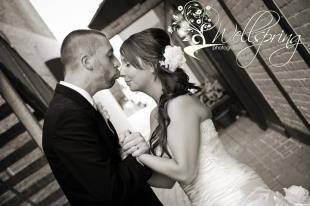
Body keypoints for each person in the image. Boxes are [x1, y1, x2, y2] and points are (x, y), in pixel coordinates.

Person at [119, 28, 310, 206]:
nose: (121, 72)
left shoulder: (180, 105)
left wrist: (142, 154)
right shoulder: (155, 116)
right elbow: (167, 180)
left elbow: (185, 172)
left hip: (234, 195)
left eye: (127, 64)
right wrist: (130, 162)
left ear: (151, 64)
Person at [42, 29, 162, 206]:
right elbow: (109, 190)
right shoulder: (66, 118)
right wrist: (140, 155)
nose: (117, 64)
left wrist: (125, 151)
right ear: (87, 62)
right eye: (110, 55)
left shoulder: (76, 106)